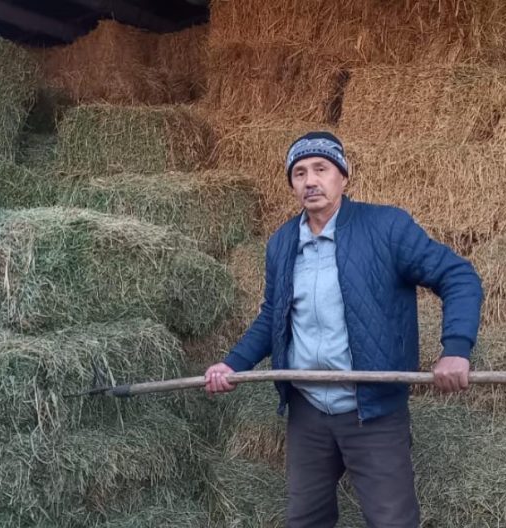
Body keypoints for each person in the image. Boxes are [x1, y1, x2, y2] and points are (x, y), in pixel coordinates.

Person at [204, 131, 483, 527]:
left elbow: (458, 276)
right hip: (308, 410)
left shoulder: (386, 227)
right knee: (306, 519)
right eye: (299, 173)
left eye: (321, 168)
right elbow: (273, 316)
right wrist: (233, 364)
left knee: (391, 521)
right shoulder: (282, 243)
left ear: (343, 176)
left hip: (371, 408)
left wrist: (455, 348)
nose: (310, 181)